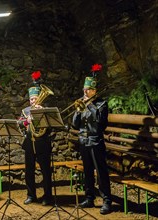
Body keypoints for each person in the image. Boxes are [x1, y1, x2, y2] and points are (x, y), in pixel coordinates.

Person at [72, 71, 112, 215]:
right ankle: (89, 198)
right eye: (84, 89)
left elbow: (101, 124)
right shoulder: (81, 104)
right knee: (87, 171)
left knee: (101, 172)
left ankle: (107, 201)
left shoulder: (102, 104)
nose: (85, 91)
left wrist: (89, 105)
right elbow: (75, 125)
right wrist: (77, 111)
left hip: (96, 141)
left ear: (94, 90)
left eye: (87, 89)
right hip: (83, 141)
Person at [20, 85, 53, 206]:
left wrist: (41, 116)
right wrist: (26, 121)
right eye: (31, 99)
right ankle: (31, 195)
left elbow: (50, 127)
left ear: (39, 98)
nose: (33, 101)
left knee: (46, 171)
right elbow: (19, 123)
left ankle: (48, 196)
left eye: (35, 98)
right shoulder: (25, 111)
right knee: (29, 171)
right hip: (29, 144)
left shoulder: (45, 110)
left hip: (42, 144)